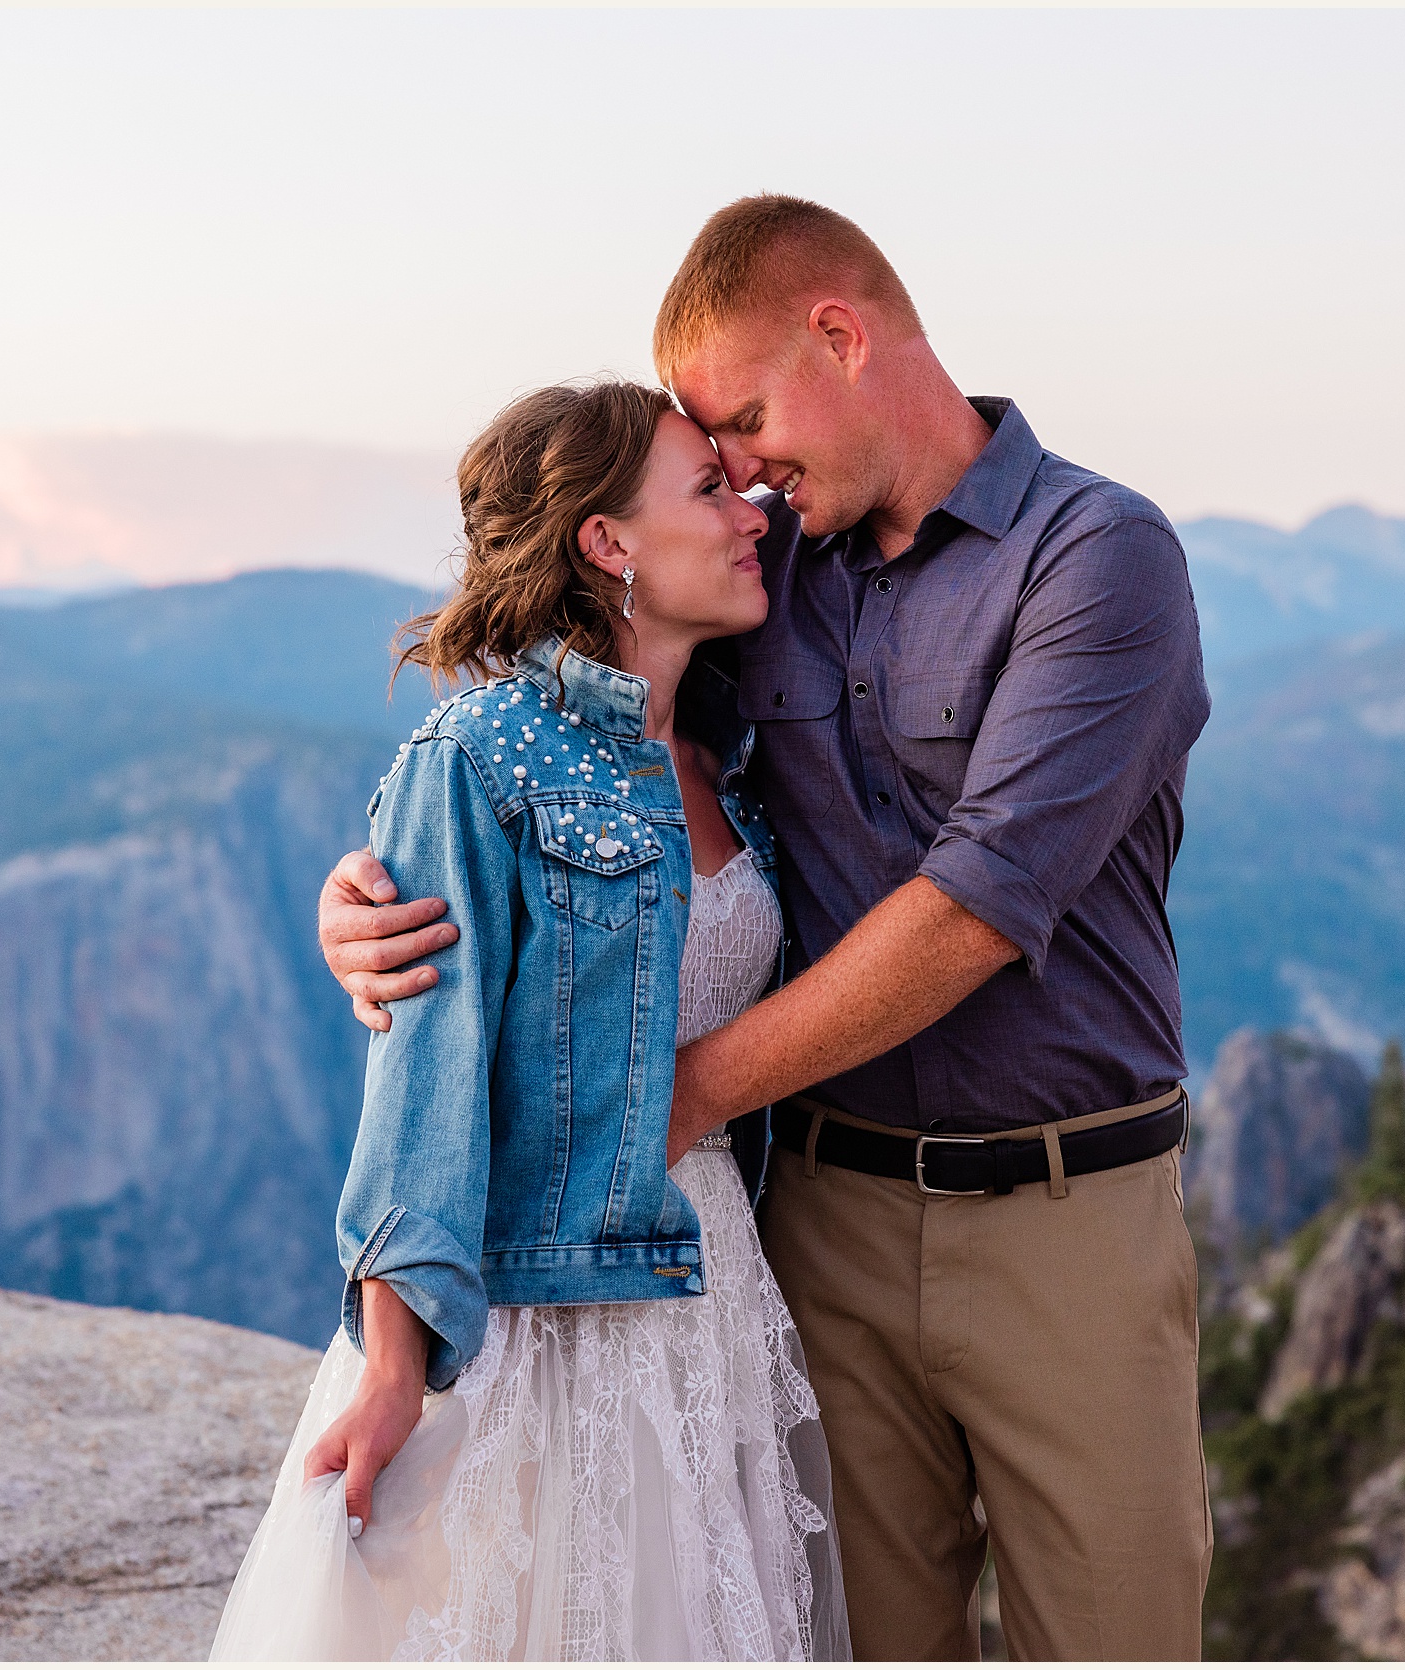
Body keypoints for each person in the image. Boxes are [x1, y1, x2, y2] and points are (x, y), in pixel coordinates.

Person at [321, 195, 1213, 1660]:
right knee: (832, 1633)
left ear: (842, 336)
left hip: (1069, 1220)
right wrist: (366, 894)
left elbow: (975, 904)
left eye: (738, 419)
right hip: (816, 1232)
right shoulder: (762, 573)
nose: (737, 472)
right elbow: (572, 757)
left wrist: (677, 1092)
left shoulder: (1097, 557)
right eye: (709, 456)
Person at [214, 380, 849, 1661]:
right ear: (608, 544)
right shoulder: (481, 757)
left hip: (708, 1291)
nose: (751, 514)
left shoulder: (721, 751)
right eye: (708, 492)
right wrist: (394, 1359)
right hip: (547, 1307)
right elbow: (425, 1076)